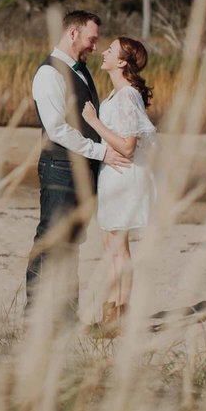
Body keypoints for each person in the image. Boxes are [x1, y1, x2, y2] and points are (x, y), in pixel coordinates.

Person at [26, 11, 132, 318]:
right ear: (73, 34)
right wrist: (101, 152)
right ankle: (33, 315)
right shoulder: (49, 73)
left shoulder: (80, 70)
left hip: (82, 170)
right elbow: (57, 129)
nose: (95, 47)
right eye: (92, 39)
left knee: (71, 242)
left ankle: (65, 314)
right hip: (60, 168)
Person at [81, 37, 157, 331]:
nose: (104, 52)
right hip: (113, 175)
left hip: (124, 176)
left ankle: (121, 315)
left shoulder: (127, 96)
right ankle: (112, 312)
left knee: (118, 248)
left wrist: (94, 122)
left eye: (110, 50)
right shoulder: (117, 94)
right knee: (109, 245)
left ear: (122, 62)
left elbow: (128, 146)